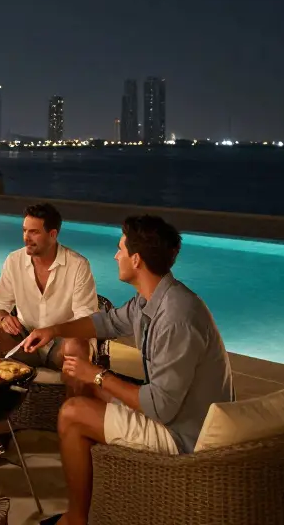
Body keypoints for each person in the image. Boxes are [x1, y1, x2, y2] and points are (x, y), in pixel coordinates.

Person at [20, 215, 234, 525]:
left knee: (72, 412)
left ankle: (76, 518)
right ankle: (96, 479)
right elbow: (105, 322)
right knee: (89, 392)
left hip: (185, 435)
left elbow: (160, 407)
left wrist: (95, 373)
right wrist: (53, 330)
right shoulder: (153, 299)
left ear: (136, 260)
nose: (115, 255)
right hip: (173, 411)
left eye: (120, 248)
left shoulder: (176, 319)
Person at [0, 202, 99, 396]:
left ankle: (73, 414)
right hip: (25, 340)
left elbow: (87, 318)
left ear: (52, 234)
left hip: (61, 343)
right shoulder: (14, 260)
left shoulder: (78, 265)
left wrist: (54, 332)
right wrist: (3, 318)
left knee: (77, 345)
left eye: (34, 232)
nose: (27, 238)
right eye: (25, 231)